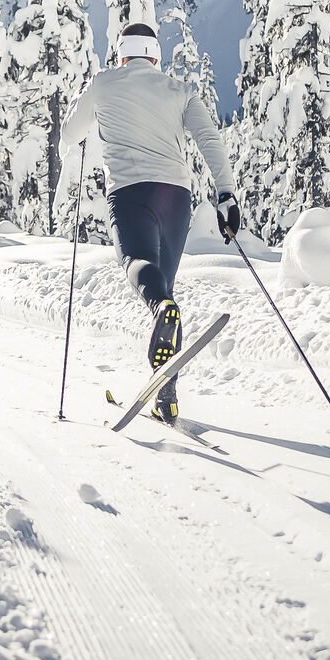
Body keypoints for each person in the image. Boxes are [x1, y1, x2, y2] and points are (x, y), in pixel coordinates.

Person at [60, 21, 241, 422]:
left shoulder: (104, 83)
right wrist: (226, 193)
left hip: (129, 193)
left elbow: (71, 134)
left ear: (121, 53)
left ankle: (160, 311)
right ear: (155, 56)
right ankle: (167, 397)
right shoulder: (179, 91)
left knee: (138, 266)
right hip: (176, 198)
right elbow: (210, 138)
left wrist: (84, 99)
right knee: (166, 290)